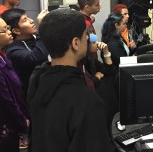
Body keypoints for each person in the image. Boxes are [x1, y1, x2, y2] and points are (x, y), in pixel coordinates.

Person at [27, 9, 114, 152]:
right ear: (75, 43)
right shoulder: (87, 101)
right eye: (86, 35)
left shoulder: (37, 80)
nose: (89, 39)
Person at [0, 15, 29, 152]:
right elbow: (4, 99)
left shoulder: (2, 56)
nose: (9, 32)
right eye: (3, 31)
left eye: (8, 28)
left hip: (11, 123)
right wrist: (21, 120)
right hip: (2, 128)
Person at [1, 8, 49, 101]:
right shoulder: (12, 50)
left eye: (28, 18)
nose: (31, 21)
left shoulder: (34, 38)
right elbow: (37, 57)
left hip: (44, 90)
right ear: (16, 30)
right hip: (30, 98)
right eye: (25, 20)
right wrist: (43, 26)